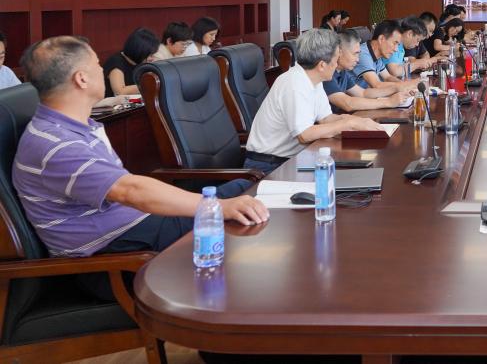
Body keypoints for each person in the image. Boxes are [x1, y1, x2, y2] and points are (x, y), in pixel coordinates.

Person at [13, 36, 268, 298]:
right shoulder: (55, 144)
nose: (102, 70)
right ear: (81, 79)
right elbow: (130, 190)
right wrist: (217, 207)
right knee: (238, 221)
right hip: (113, 257)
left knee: (246, 189)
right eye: (97, 64)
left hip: (134, 230)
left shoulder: (71, 127)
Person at [243, 29, 386, 174]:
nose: (336, 64)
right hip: (269, 165)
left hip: (293, 158)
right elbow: (304, 135)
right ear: (322, 65)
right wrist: (348, 124)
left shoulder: (314, 79)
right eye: (336, 59)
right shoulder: (294, 84)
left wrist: (358, 122)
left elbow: (326, 118)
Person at [325, 29, 416, 113]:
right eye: (355, 54)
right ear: (339, 52)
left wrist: (396, 88)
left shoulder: (343, 71)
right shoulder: (326, 74)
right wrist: (389, 102)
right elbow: (348, 103)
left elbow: (363, 93)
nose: (357, 60)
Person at [354, 20, 419, 89]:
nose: (396, 49)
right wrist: (405, 85)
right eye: (395, 43)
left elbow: (388, 77)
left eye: (398, 45)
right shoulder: (363, 53)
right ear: (381, 39)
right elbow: (376, 85)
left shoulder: (376, 54)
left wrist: (405, 84)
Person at [103, 27, 159, 97]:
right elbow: (120, 92)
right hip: (113, 103)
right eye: (150, 55)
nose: (153, 58)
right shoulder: (116, 63)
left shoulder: (139, 61)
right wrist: (147, 85)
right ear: (139, 52)